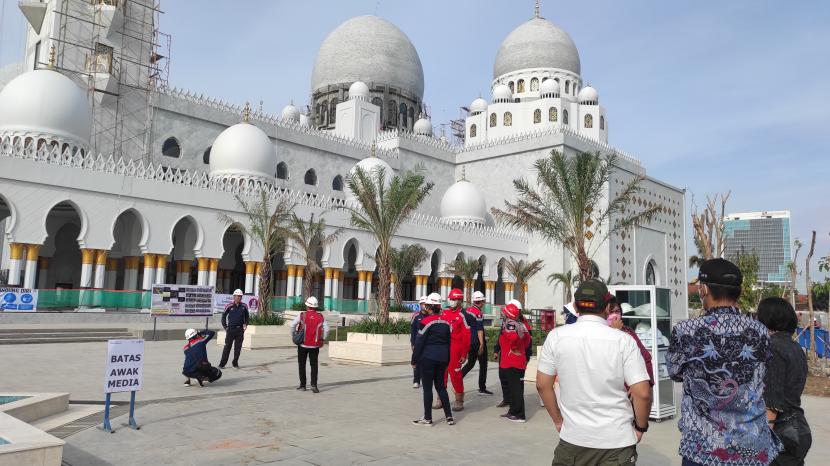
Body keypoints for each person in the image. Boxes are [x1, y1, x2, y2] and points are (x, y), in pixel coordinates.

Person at [667, 259, 782, 466]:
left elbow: (674, 372)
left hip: (702, 451)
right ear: (739, 292)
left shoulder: (685, 331)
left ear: (703, 290)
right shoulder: (761, 332)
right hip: (751, 449)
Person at [536, 279, 652, 465]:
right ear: (607, 307)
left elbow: (543, 385)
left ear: (575, 307)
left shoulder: (556, 337)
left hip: (573, 439)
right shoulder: (624, 341)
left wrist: (558, 421)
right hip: (616, 441)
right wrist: (640, 427)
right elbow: (643, 393)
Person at [758, 297, 811, 466]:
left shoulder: (773, 347)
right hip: (798, 428)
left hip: (782, 432)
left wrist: (762, 443)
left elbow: (772, 402)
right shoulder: (795, 347)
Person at [411, 293, 455, 426]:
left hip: (428, 358)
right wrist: (448, 359)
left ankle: (428, 418)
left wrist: (414, 360)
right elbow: (449, 342)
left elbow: (419, 342)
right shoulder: (446, 322)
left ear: (429, 307)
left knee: (427, 389)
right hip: (443, 358)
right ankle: (449, 417)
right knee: (441, 387)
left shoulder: (425, 322)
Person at [607, 295, 654, 387]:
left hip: (634, 385)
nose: (615, 315)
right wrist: (615, 331)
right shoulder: (600, 333)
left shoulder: (628, 331)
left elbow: (646, 356)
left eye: (617, 311)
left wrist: (646, 383)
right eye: (611, 312)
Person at [497, 301, 532, 422]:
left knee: (515, 389)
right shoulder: (520, 324)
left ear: (507, 314)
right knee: (515, 388)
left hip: (512, 361)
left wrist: (514, 347)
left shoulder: (510, 324)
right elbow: (528, 339)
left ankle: (519, 415)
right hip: (518, 360)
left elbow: (513, 337)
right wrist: (521, 349)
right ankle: (512, 411)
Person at [437, 288, 471, 411]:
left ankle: (459, 399)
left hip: (456, 349)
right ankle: (441, 397)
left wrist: (464, 353)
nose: (451, 301)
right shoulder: (444, 312)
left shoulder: (464, 315)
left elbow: (467, 336)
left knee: (455, 374)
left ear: (460, 300)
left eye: (454, 299)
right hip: (443, 347)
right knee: (441, 373)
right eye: (450, 299)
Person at [290, 296, 329, 393]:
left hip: (303, 345)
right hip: (315, 345)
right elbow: (327, 329)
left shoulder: (302, 315)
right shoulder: (320, 316)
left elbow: (292, 325)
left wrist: (293, 335)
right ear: (316, 307)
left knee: (302, 365)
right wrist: (323, 339)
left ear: (307, 306)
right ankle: (314, 385)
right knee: (314, 365)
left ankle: (303, 386)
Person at [461, 290, 493, 395]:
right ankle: (482, 388)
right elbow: (479, 329)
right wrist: (482, 344)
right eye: (483, 301)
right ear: (481, 302)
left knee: (470, 363)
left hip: (469, 341)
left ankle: (458, 378)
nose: (483, 303)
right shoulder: (478, 313)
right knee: (483, 364)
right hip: (477, 342)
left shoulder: (467, 310)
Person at [219, 289, 249, 369]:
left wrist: (246, 325)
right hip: (230, 330)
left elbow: (247, 317)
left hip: (240, 330)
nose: (239, 297)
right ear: (234, 296)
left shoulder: (244, 306)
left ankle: (235, 363)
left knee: (238, 348)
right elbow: (223, 316)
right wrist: (225, 327)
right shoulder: (229, 306)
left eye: (240, 296)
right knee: (227, 347)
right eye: (237, 296)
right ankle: (222, 364)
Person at [410, 295, 428, 389]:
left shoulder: (431, 315)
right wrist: (413, 343)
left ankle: (426, 379)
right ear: (420, 305)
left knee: (426, 362)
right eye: (423, 304)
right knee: (416, 361)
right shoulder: (416, 316)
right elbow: (413, 331)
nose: (425, 305)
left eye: (426, 304)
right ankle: (416, 380)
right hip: (418, 343)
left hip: (428, 343)